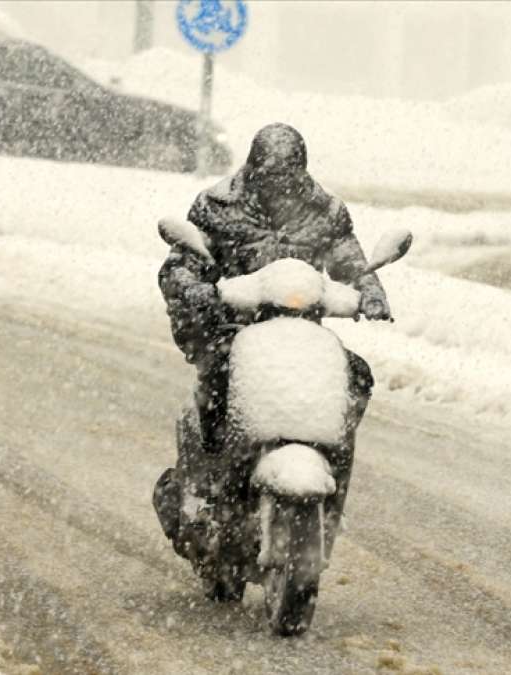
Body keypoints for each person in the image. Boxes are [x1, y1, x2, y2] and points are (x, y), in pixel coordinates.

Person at [153, 123, 391, 542]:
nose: (279, 183)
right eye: (270, 174)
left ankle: (329, 461)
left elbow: (347, 256)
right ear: (253, 167)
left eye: (288, 175)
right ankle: (208, 479)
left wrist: (370, 289)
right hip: (234, 325)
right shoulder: (216, 205)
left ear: (301, 171)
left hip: (302, 332)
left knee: (355, 374)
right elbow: (181, 263)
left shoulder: (324, 210)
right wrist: (197, 288)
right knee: (219, 374)